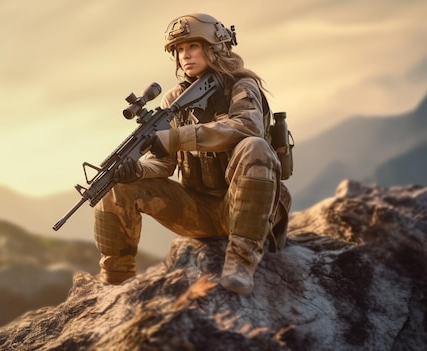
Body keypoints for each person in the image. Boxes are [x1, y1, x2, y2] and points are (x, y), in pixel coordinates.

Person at [93, 13, 291, 295]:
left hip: (247, 209)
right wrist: (136, 170)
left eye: (193, 47)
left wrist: (175, 138)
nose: (185, 56)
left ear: (215, 46)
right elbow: (163, 164)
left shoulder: (241, 85)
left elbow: (248, 127)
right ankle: (115, 280)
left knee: (254, 147)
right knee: (116, 183)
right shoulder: (173, 101)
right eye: (179, 50)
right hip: (199, 211)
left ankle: (242, 263)